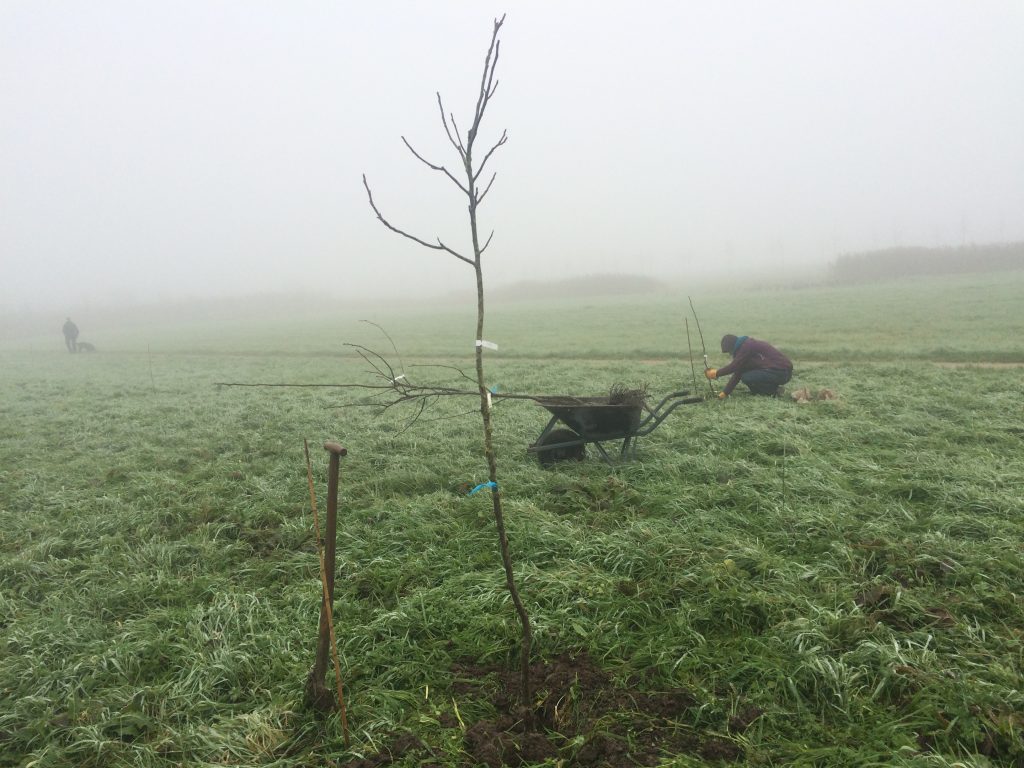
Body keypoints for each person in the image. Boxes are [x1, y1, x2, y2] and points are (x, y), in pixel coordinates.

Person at [705, 334, 792, 398]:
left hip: (782, 371)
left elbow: (734, 366)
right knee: (745, 375)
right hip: (779, 372)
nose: (730, 354)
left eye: (729, 351)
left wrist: (716, 373)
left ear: (732, 347)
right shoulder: (744, 350)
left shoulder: (747, 345)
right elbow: (737, 372)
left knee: (747, 377)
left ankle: (774, 391)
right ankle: (767, 391)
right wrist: (725, 393)